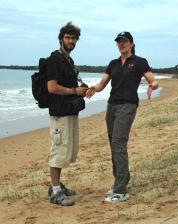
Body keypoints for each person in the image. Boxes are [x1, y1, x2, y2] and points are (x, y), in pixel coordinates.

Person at [86, 31, 159, 203]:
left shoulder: (139, 62)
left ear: (132, 43)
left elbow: (153, 80)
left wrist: (152, 86)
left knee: (119, 143)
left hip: (128, 105)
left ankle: (121, 190)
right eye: (119, 41)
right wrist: (92, 89)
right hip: (112, 106)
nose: (121, 44)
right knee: (114, 145)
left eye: (124, 41)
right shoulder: (113, 63)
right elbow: (102, 84)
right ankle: (120, 180)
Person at [46, 22, 88, 206]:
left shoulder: (68, 60)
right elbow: (51, 87)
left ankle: (57, 186)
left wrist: (80, 90)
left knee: (66, 151)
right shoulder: (55, 59)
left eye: (74, 38)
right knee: (58, 151)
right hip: (59, 113)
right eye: (68, 37)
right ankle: (55, 192)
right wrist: (74, 91)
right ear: (61, 39)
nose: (71, 41)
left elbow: (70, 86)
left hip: (70, 111)